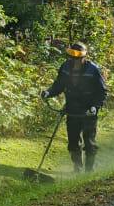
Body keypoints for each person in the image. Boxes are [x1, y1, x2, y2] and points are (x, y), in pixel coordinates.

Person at [42, 41, 108, 172]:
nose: (75, 60)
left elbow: (102, 91)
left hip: (88, 112)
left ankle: (89, 170)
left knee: (89, 142)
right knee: (73, 142)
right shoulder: (65, 67)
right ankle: (77, 168)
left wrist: (95, 106)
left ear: (84, 57)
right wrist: (48, 92)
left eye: (78, 58)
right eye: (72, 57)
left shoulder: (93, 70)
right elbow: (59, 85)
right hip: (72, 110)